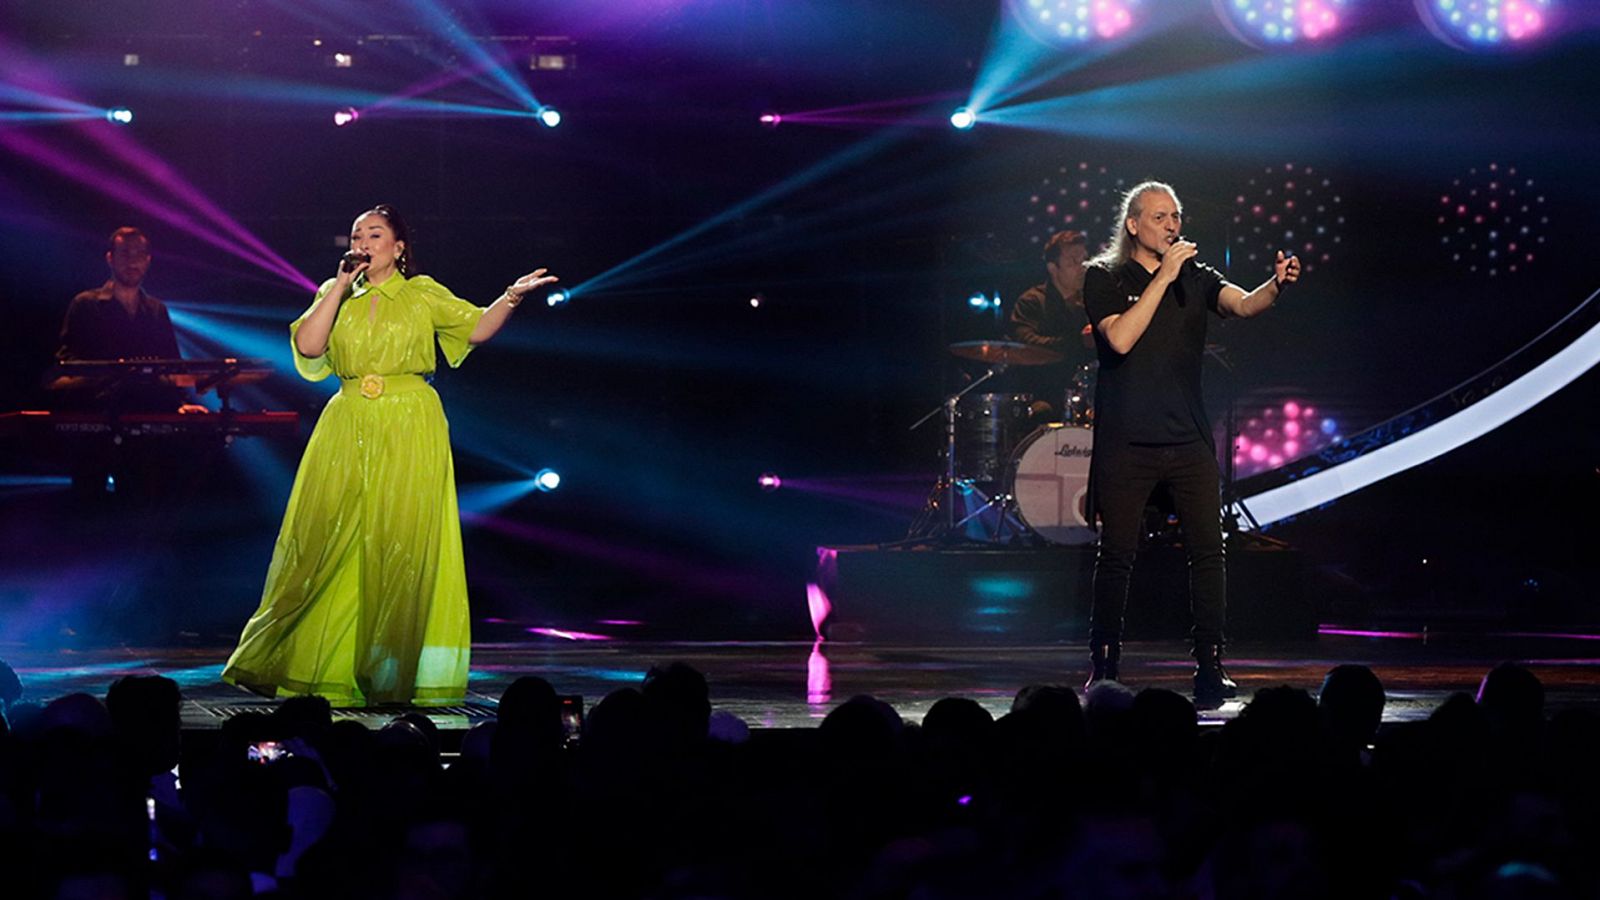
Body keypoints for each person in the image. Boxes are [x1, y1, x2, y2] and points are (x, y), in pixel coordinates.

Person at [222, 205, 557, 706]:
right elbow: (310, 348)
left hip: (409, 421)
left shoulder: (423, 294)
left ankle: (387, 674)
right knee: (321, 537)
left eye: (374, 233)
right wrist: (338, 287)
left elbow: (477, 330)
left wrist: (510, 295)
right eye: (357, 234)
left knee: (398, 544)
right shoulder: (332, 295)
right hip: (347, 420)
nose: (363, 240)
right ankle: (281, 655)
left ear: (399, 247)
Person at [1079, 181, 1300, 709]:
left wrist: (1275, 284)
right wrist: (1164, 278)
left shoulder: (1195, 276)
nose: (1172, 225)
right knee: (1117, 558)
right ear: (1133, 224)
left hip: (1188, 439)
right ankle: (1104, 668)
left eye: (1176, 216)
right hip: (1128, 441)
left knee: (1209, 554)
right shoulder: (1103, 276)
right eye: (1159, 217)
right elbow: (1121, 338)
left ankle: (1210, 666)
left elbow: (1244, 306)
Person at [56, 227, 206, 413]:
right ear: (110, 259)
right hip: (100, 413)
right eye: (125, 253)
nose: (133, 261)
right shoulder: (85, 304)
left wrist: (181, 404)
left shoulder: (156, 310)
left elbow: (172, 366)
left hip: (150, 411)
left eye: (139, 254)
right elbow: (67, 366)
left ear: (148, 260)